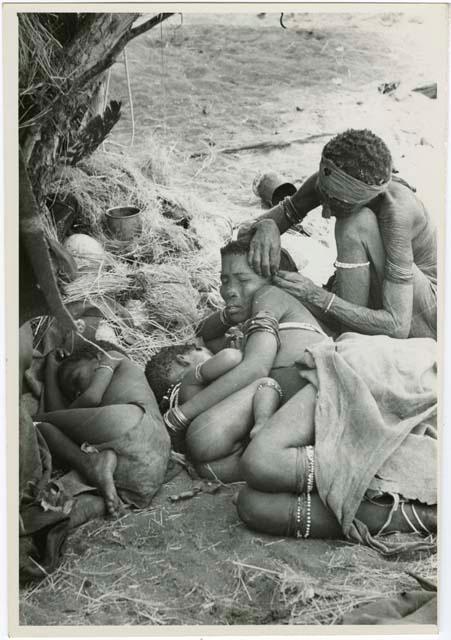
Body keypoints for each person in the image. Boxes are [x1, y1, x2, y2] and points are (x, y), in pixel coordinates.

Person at [237, 331, 437, 552]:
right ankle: (401, 505)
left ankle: (418, 516)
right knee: (258, 471)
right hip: (382, 367)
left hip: (382, 378)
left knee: (255, 504)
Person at [152, 240, 330, 482]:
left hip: (318, 395)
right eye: (225, 280)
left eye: (243, 280)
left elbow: (256, 369)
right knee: (207, 464)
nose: (230, 290)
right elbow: (204, 333)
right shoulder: (250, 327)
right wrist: (230, 313)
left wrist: (181, 415)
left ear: (270, 279)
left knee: (204, 440)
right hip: (289, 412)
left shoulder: (271, 295)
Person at [238, 129, 437, 340]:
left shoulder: (398, 214)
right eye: (323, 199)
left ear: (363, 198)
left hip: (423, 312)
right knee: (255, 260)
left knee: (353, 225)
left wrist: (317, 296)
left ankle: (347, 333)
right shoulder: (332, 180)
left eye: (336, 206)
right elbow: (242, 238)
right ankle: (342, 321)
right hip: (378, 293)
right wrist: (267, 226)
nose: (325, 213)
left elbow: (398, 326)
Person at [35, 343, 171, 515]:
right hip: (149, 470)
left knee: (32, 423)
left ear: (97, 358)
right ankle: (96, 464)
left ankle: (91, 463)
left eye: (76, 379)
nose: (78, 394)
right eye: (73, 395)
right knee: (44, 429)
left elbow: (91, 398)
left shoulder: (111, 357)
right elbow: (57, 416)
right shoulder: (110, 378)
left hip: (132, 419)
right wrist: (51, 370)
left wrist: (51, 373)